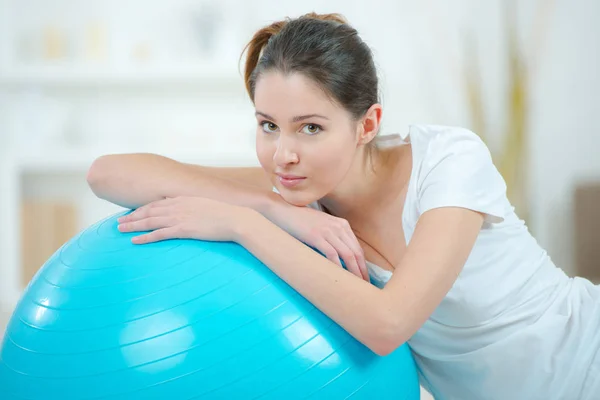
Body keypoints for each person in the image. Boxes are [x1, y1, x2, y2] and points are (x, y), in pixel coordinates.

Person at [86, 12, 600, 400]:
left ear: (367, 125)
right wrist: (277, 211)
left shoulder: (449, 160)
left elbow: (388, 324)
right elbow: (108, 174)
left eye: (311, 127)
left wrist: (245, 224)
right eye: (268, 125)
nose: (283, 153)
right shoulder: (298, 190)